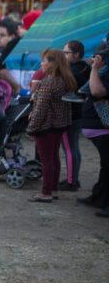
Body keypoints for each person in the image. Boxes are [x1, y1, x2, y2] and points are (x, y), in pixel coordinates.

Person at [27, 50, 76, 203]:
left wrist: (31, 128)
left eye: (44, 60)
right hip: (59, 126)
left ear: (53, 63)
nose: (42, 63)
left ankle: (46, 192)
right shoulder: (65, 80)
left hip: (46, 126)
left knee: (47, 160)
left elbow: (40, 109)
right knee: (54, 158)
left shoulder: (49, 82)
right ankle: (52, 189)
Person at [78, 47, 109, 217]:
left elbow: (97, 91)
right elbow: (85, 90)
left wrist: (95, 68)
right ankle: (99, 197)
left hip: (103, 127)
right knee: (106, 166)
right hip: (98, 127)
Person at [59, 40, 91, 191]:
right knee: (73, 148)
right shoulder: (86, 67)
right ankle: (74, 179)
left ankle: (71, 182)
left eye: (66, 53)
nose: (63, 55)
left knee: (69, 149)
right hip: (78, 114)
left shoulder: (72, 71)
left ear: (76, 54)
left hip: (69, 114)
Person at [0, 18, 21, 95]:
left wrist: (18, 88)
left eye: (2, 35)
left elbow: (1, 71)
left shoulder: (11, 47)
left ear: (12, 36)